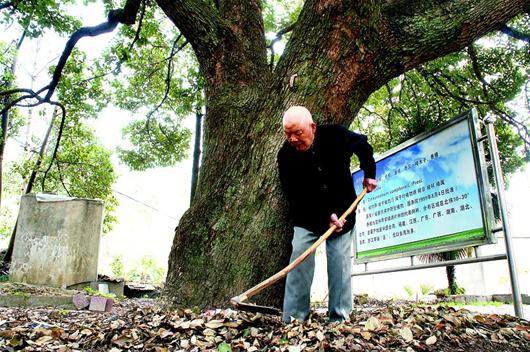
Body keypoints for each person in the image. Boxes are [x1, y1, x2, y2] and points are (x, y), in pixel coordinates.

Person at [277, 105, 377, 322]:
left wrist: (369, 173)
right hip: (308, 218)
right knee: (299, 259)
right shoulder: (285, 156)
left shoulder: (335, 134)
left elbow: (363, 146)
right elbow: (294, 195)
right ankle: (294, 319)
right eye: (288, 134)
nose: (293, 139)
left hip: (344, 212)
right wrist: (325, 216)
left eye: (298, 133)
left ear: (312, 127)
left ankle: (339, 318)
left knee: (339, 263)